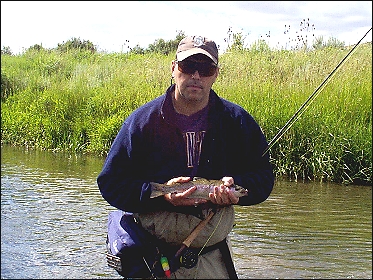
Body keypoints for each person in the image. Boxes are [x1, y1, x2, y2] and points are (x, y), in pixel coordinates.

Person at [97, 35, 274, 279]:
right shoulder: (141, 122)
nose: (197, 76)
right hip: (153, 255)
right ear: (173, 68)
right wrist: (158, 194)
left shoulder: (237, 121)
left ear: (216, 74)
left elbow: (263, 178)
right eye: (188, 67)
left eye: (206, 68)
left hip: (213, 255)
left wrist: (235, 194)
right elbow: (111, 183)